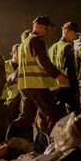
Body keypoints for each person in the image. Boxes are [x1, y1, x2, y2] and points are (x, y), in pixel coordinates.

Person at [10, 16, 68, 145]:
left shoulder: (25, 43)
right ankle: (54, 145)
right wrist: (58, 75)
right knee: (54, 114)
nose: (48, 32)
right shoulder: (37, 41)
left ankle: (10, 140)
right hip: (37, 86)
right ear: (39, 27)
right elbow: (42, 60)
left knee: (26, 118)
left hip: (26, 86)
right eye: (47, 28)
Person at [48, 21, 81, 115]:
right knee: (74, 116)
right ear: (66, 31)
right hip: (67, 87)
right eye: (74, 34)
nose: (75, 37)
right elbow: (70, 70)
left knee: (58, 116)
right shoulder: (67, 47)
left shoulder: (52, 48)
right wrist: (76, 90)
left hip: (54, 87)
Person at [5, 43, 21, 123]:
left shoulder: (25, 65)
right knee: (12, 119)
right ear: (14, 52)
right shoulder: (5, 65)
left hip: (23, 96)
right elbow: (5, 82)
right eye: (20, 52)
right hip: (12, 97)